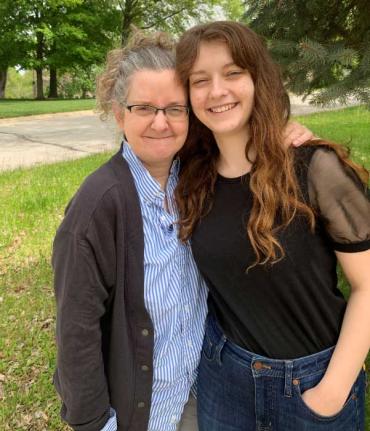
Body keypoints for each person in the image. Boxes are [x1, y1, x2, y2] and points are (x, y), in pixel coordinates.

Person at [52, 30, 313, 431]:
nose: (161, 122)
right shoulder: (99, 205)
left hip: (201, 395)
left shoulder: (197, 175)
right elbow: (76, 332)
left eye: (175, 108)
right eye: (144, 108)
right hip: (143, 411)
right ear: (120, 115)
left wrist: (285, 131)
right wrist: (93, 423)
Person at [175, 21, 370, 431]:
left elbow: (368, 284)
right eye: (200, 80)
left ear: (257, 79)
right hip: (224, 377)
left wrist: (332, 390)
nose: (217, 91)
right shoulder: (191, 178)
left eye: (232, 73)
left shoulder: (313, 167)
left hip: (313, 383)